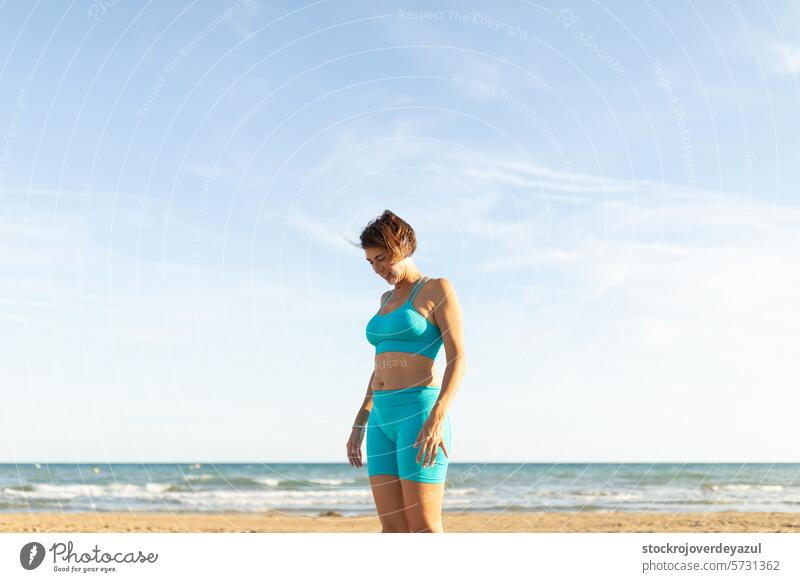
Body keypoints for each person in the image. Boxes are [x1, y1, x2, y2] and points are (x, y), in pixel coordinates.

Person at [346, 210, 466, 533]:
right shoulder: (385, 298)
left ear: (402, 246)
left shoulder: (436, 289)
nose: (378, 269)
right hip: (381, 420)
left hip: (419, 414)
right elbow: (380, 364)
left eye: (382, 258)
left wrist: (438, 417)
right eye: (371, 262)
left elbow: (458, 357)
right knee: (393, 530)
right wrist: (361, 418)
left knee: (424, 528)